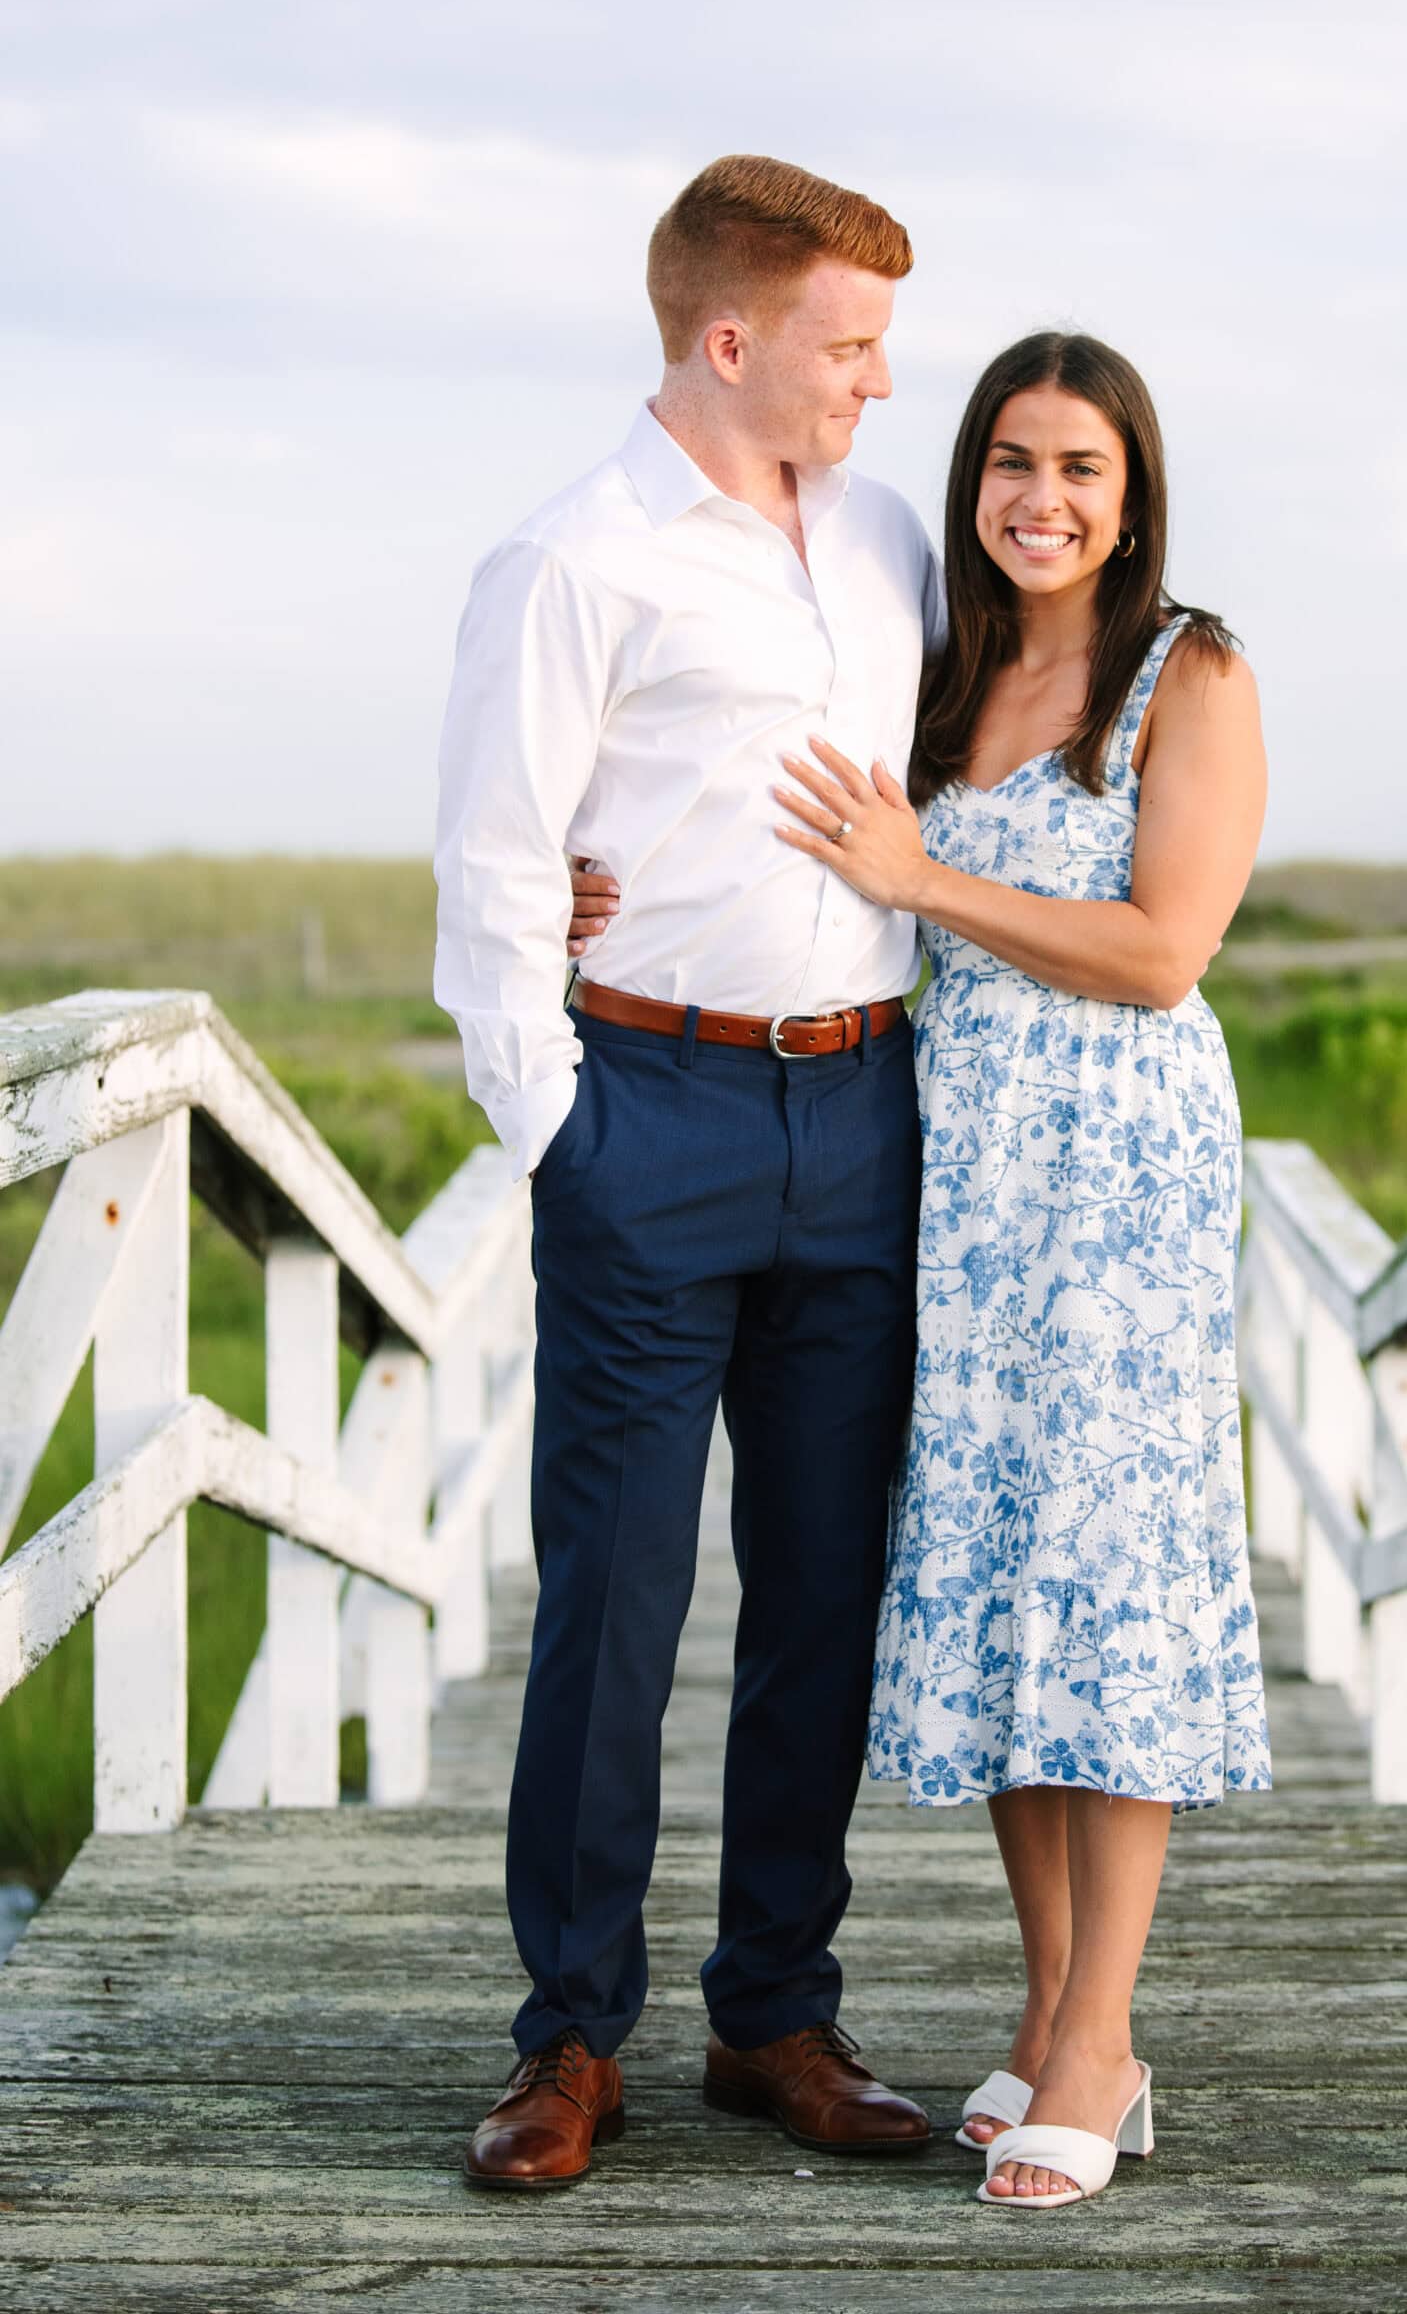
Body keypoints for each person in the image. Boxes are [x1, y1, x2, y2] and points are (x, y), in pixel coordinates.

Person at [573, 327, 1273, 2212]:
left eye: (1082, 470)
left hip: (1114, 1187)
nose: (1041, 500)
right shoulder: (952, 673)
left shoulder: (1184, 672)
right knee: (1008, 1591)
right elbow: (765, 804)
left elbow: (1160, 950)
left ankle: (1109, 2031)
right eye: (1011, 465)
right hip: (956, 1183)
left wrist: (923, 878)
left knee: (1109, 1589)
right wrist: (602, 881)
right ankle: (1058, 2025)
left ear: (1133, 499)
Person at [434, 154, 942, 2190]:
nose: (878, 382)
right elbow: (490, 868)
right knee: (619, 1603)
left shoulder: (894, 539)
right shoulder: (570, 562)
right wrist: (563, 1127)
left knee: (819, 1586)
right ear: (731, 340)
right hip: (650, 1113)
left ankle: (772, 2012)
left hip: (862, 1117)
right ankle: (568, 2036)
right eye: (850, 344)